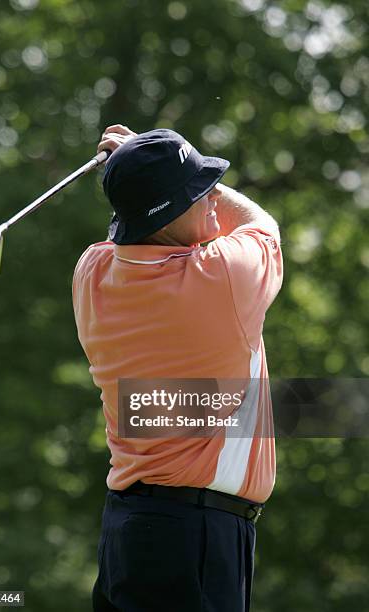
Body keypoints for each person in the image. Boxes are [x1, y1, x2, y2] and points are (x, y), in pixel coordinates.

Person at [72, 124, 283, 612]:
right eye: (198, 191)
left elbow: (132, 228)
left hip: (128, 527)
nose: (211, 198)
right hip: (196, 536)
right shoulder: (224, 278)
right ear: (166, 212)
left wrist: (134, 169)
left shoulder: (93, 275)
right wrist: (131, 157)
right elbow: (262, 225)